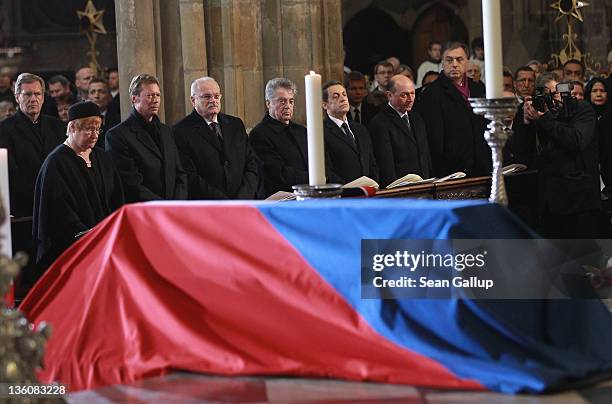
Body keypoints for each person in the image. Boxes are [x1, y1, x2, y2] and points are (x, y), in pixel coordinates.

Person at [32, 101, 124, 282]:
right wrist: (88, 235)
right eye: (88, 129)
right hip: (74, 247)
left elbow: (116, 197)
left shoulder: (102, 157)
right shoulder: (56, 163)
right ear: (72, 127)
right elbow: (59, 211)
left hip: (106, 243)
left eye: (97, 129)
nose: (94, 135)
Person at [0, 73, 65, 296]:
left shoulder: (58, 127)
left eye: (37, 94)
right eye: (27, 94)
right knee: (29, 281)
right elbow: (11, 174)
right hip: (25, 214)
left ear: (44, 97)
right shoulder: (5, 130)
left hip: (57, 212)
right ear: (17, 97)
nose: (33, 99)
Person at [515, 73, 600, 238]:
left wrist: (545, 119)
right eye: (546, 95)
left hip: (576, 201)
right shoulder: (531, 109)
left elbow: (576, 141)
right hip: (543, 199)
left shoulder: (581, 108)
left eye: (554, 93)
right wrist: (525, 122)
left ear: (563, 90)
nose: (552, 100)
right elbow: (520, 150)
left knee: (581, 258)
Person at [250, 78, 340, 197]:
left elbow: (321, 163)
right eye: (282, 101)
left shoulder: (302, 131)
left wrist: (340, 184)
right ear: (268, 103)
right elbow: (278, 173)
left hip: (313, 194)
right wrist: (317, 179)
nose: (288, 106)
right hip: (282, 199)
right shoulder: (259, 134)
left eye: (291, 101)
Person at [106, 73, 187, 202]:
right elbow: (130, 183)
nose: (155, 100)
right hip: (144, 210)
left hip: (173, 208)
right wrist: (161, 206)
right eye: (149, 95)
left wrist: (176, 203)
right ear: (134, 98)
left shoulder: (166, 131)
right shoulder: (117, 135)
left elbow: (180, 173)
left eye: (157, 95)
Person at [173, 77, 258, 199]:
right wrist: (223, 202)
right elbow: (189, 175)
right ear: (193, 100)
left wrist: (243, 197)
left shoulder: (235, 124)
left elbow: (251, 163)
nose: (213, 100)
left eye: (217, 96)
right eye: (207, 97)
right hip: (208, 206)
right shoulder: (180, 131)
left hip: (243, 202)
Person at [416, 41, 489, 177]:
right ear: (442, 63)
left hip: (481, 166)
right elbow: (434, 138)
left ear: (467, 62)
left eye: (459, 59)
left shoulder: (478, 88)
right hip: (451, 170)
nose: (454, 64)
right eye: (449, 60)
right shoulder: (432, 93)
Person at [368, 75, 431, 187]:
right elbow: (385, 163)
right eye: (404, 95)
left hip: (423, 184)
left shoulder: (417, 118)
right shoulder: (380, 122)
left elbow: (425, 154)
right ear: (389, 95)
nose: (410, 99)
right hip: (400, 188)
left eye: (412, 93)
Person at [322, 80, 378, 183]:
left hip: (368, 193)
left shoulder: (361, 129)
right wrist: (349, 190)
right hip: (343, 195)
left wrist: (373, 185)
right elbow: (326, 171)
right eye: (336, 96)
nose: (343, 99)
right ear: (325, 105)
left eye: (344, 95)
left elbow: (372, 164)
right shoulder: (321, 133)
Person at [87, 78, 120, 146]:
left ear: (109, 96)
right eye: (93, 92)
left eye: (101, 92)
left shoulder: (119, 116)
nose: (96, 96)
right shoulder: (83, 119)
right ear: (88, 97)